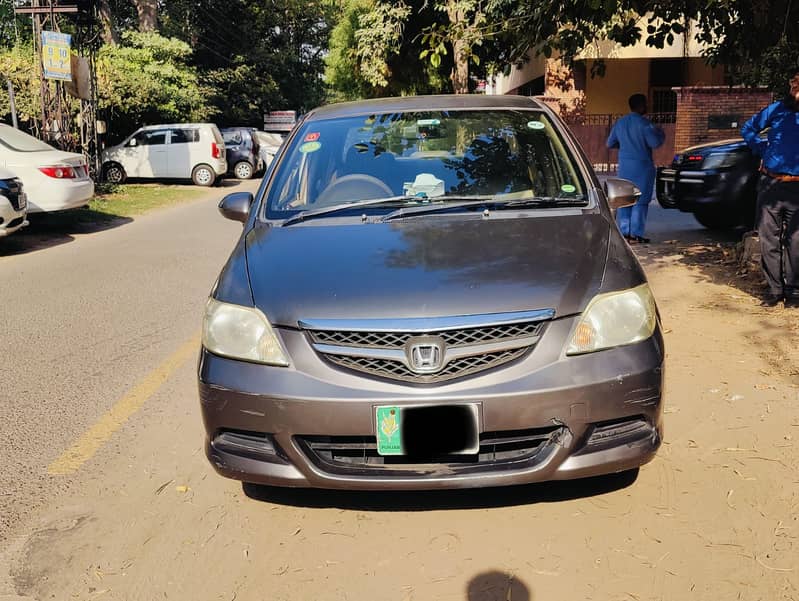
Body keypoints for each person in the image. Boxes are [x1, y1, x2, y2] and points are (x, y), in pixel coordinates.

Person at [741, 68, 799, 308]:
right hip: (771, 183)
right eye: (796, 87)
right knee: (769, 239)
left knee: (796, 241)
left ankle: (794, 291)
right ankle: (775, 291)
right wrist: (764, 150)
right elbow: (748, 129)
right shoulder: (777, 110)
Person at [607, 93, 666, 244]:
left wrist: (624, 146)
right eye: (646, 103)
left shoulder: (620, 123)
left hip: (625, 167)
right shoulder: (645, 124)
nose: (648, 106)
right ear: (641, 105)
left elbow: (610, 143)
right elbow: (655, 143)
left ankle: (625, 233)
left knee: (625, 199)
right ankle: (636, 233)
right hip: (642, 167)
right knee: (640, 200)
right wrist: (660, 132)